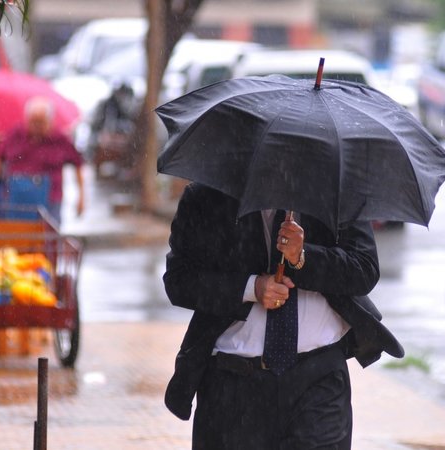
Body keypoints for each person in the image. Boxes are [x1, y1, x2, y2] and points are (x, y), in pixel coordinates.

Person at [163, 183, 404, 449]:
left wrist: (302, 257)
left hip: (318, 381)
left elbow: (364, 269)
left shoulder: (336, 190)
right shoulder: (208, 195)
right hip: (232, 386)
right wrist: (251, 288)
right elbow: (180, 280)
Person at [0, 96, 85, 225]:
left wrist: (81, 197)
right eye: (34, 121)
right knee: (16, 235)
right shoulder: (16, 134)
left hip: (50, 199)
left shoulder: (60, 139)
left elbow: (78, 164)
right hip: (17, 198)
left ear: (50, 120)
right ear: (27, 119)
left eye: (41, 122)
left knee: (48, 237)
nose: (37, 126)